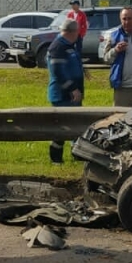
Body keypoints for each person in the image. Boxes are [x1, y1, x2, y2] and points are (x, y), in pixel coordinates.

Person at [46, 19, 84, 163]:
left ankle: (77, 156)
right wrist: (72, 88)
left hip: (72, 94)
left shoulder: (68, 45)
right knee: (63, 128)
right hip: (62, 94)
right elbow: (58, 72)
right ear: (73, 32)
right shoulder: (58, 46)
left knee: (73, 126)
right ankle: (56, 159)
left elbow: (70, 65)